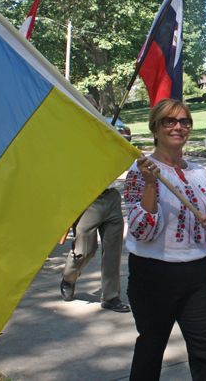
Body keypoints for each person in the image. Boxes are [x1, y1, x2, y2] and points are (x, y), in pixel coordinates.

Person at [124, 98, 206, 381]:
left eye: (184, 121)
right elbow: (142, 231)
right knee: (151, 348)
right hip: (154, 275)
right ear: (155, 127)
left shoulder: (198, 172)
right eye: (170, 121)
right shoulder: (140, 172)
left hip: (198, 273)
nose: (178, 127)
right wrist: (151, 184)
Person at [60, 94, 130, 313]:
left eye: (94, 108)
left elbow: (121, 158)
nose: (91, 112)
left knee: (113, 251)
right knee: (85, 249)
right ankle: (69, 278)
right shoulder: (72, 138)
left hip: (110, 197)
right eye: (86, 108)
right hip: (87, 200)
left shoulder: (107, 133)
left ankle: (110, 296)